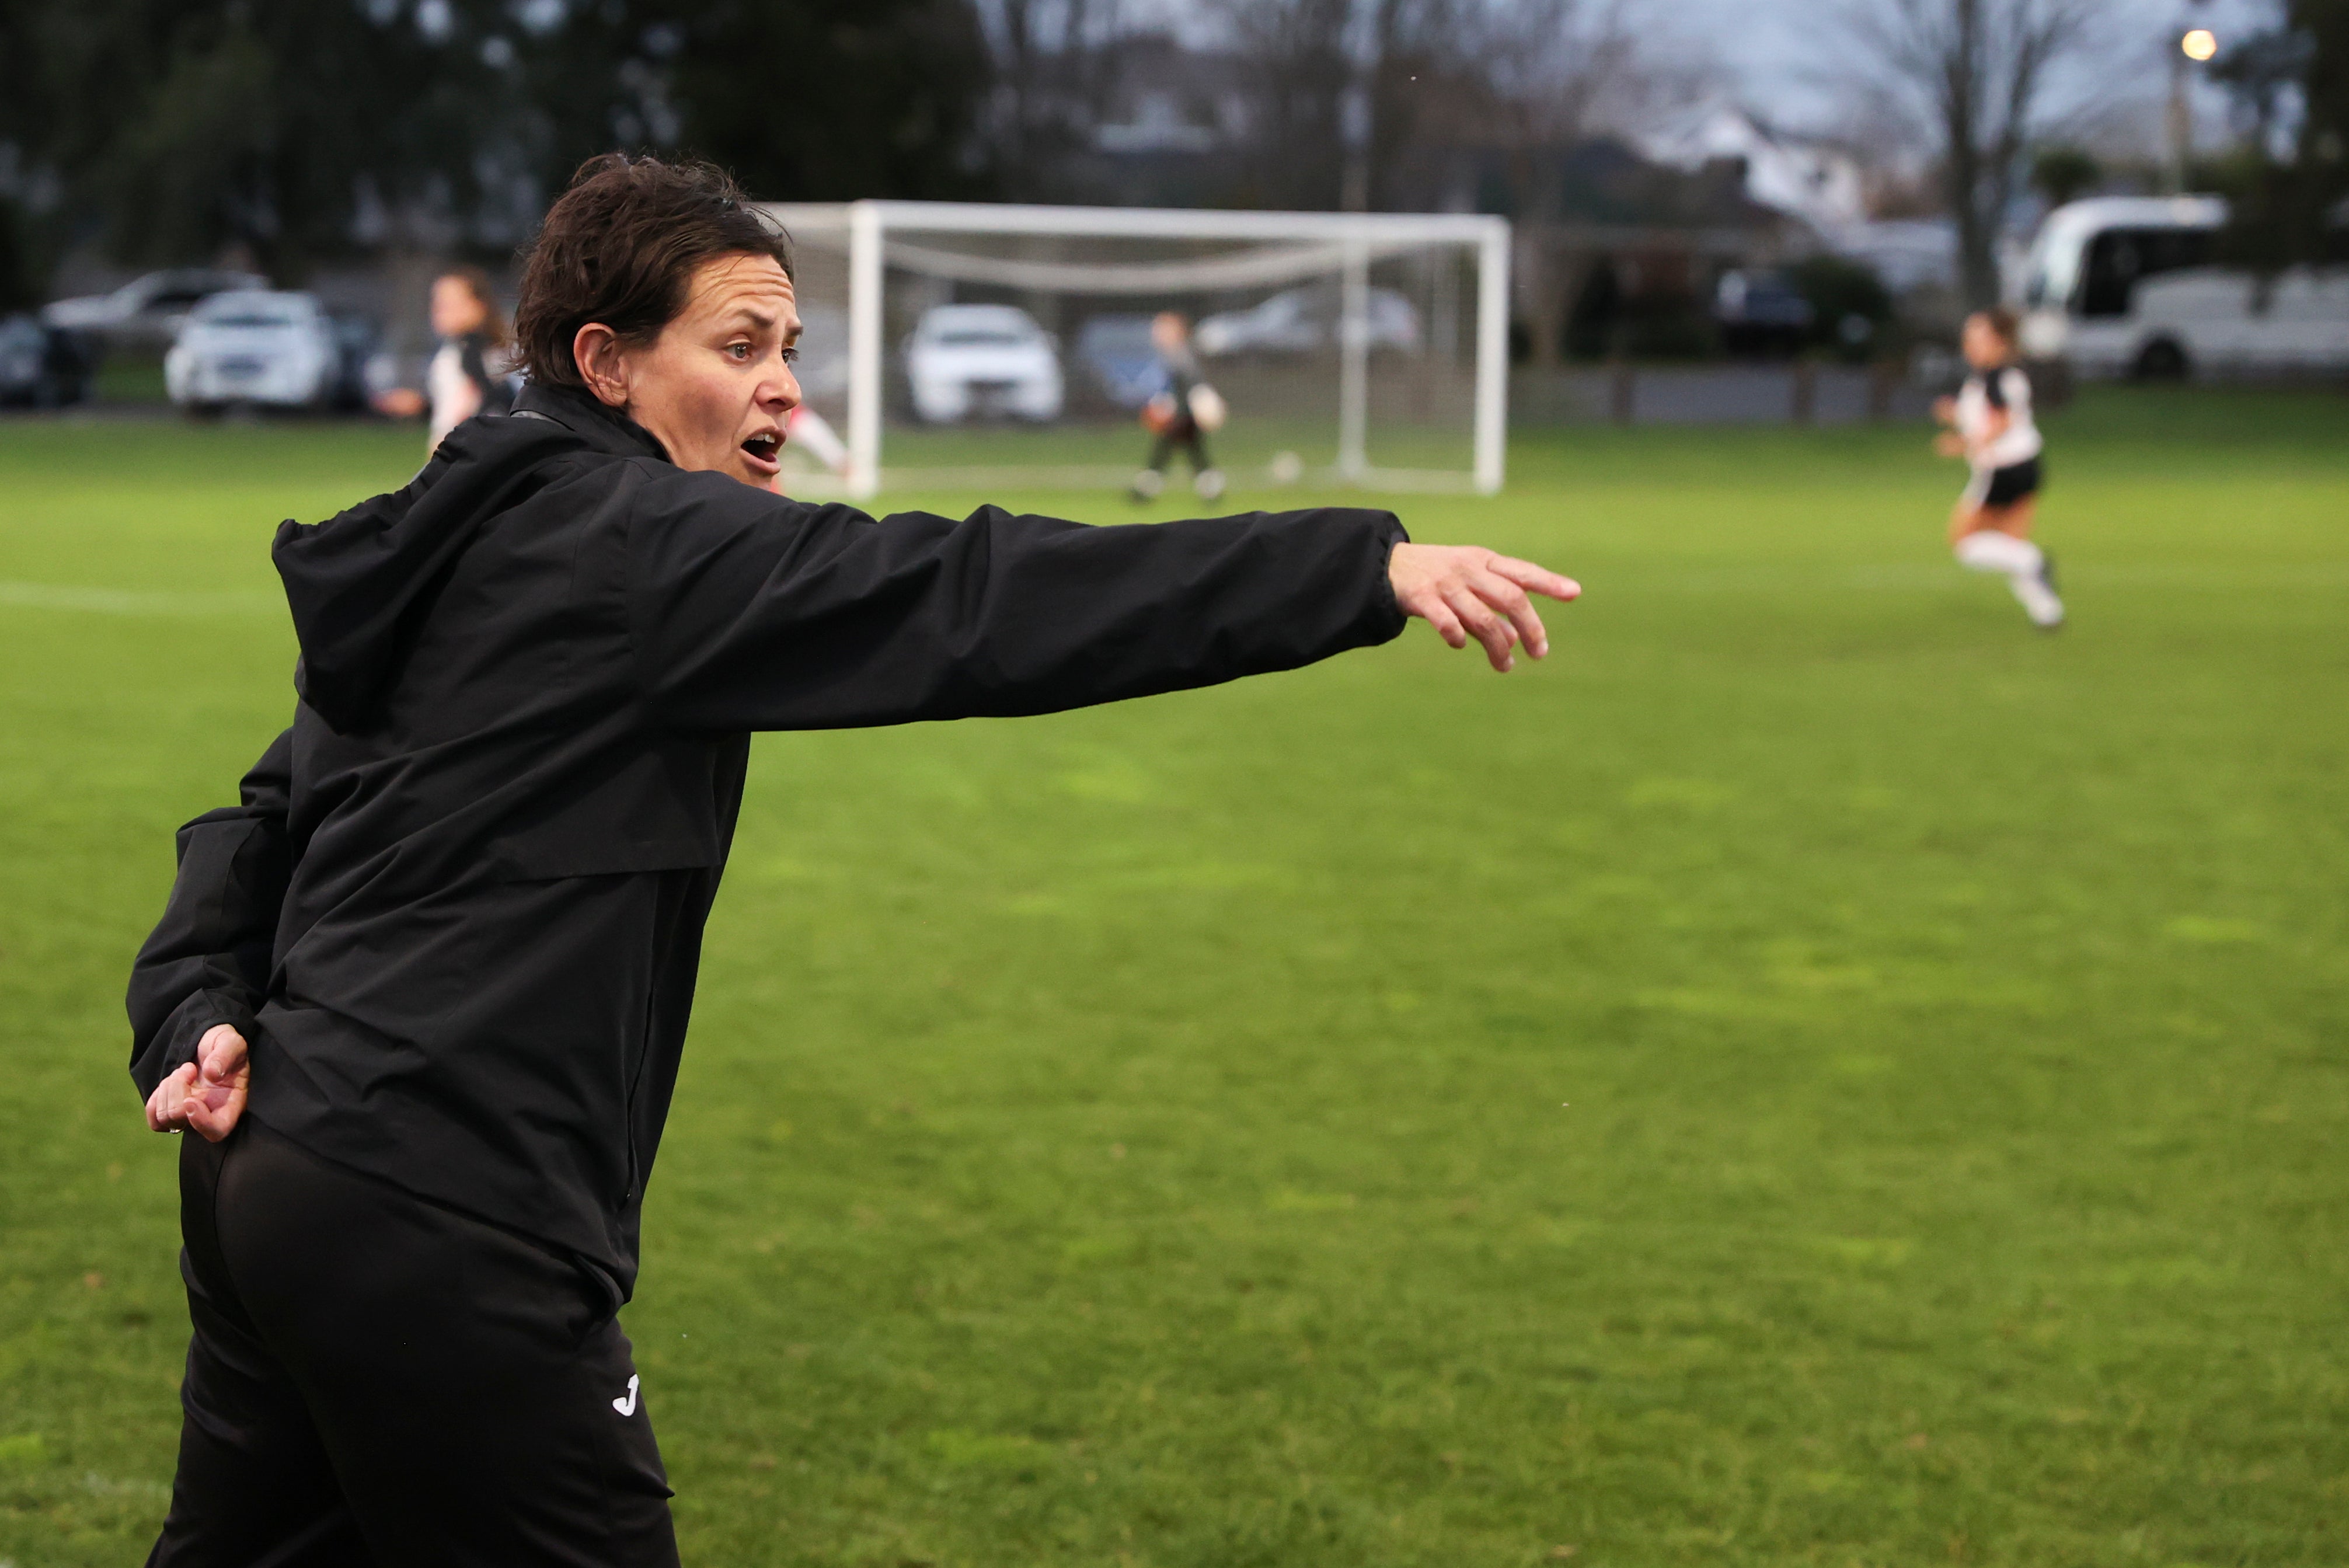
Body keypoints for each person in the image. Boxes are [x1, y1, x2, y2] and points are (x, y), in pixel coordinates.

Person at [126, 154, 1579, 1567]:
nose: (783, 386)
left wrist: (191, 1006)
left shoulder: (464, 525)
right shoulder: (639, 543)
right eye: (739, 343)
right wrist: (1354, 569)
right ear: (605, 362)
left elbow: (264, 808)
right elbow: (971, 596)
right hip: (444, 1210)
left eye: (789, 346)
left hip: (273, 1176)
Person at [1934, 308, 2063, 629]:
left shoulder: (1994, 376)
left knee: (1964, 543)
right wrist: (1955, 414)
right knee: (2009, 546)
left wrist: (1960, 443)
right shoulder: (2003, 375)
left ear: (2000, 342)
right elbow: (1996, 415)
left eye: (1978, 338)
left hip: (2003, 470)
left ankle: (2035, 562)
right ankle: (2047, 611)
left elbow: (2001, 423)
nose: (1970, 345)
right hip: (2028, 466)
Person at [374, 266, 517, 450]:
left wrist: (458, 444)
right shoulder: (463, 349)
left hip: (471, 457)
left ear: (478, 306)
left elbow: (494, 402)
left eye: (450, 303)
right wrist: (423, 403)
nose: (438, 310)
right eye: (437, 302)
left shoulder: (474, 351)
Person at [1131, 311, 1225, 503]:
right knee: (1191, 452)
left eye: (1162, 329)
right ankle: (1211, 490)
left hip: (1185, 414)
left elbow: (1190, 387)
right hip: (1182, 413)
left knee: (1171, 451)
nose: (1156, 333)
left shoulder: (1179, 354)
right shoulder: (1173, 353)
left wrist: (1173, 411)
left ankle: (1146, 490)